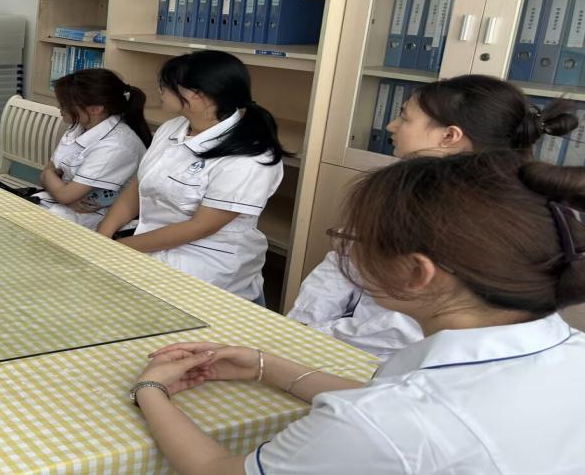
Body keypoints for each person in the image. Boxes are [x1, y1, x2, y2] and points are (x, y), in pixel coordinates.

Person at [131, 151, 585, 474]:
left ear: (416, 272)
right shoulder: (566, 353)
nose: (348, 250)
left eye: (358, 239)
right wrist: (263, 366)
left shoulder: (382, 422)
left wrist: (150, 389)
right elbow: (399, 400)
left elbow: (218, 470)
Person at [288, 75, 578, 357]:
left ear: (449, 136)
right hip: (337, 338)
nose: (391, 125)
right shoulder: (395, 188)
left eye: (404, 118)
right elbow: (343, 260)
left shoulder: (487, 218)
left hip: (395, 355)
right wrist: (301, 326)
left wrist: (322, 335)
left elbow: (407, 325)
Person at [97, 51, 287, 302]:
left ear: (196, 95)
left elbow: (202, 226)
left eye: (166, 86)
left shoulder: (250, 157)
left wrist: (118, 249)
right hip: (148, 243)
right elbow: (139, 185)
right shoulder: (171, 128)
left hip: (204, 262)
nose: (160, 91)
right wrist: (101, 236)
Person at [34, 69, 150, 230]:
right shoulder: (80, 126)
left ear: (96, 109)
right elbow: (50, 179)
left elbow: (61, 190)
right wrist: (54, 183)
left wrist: (50, 177)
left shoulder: (117, 145)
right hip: (65, 205)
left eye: (65, 104)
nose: (59, 107)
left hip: (100, 216)